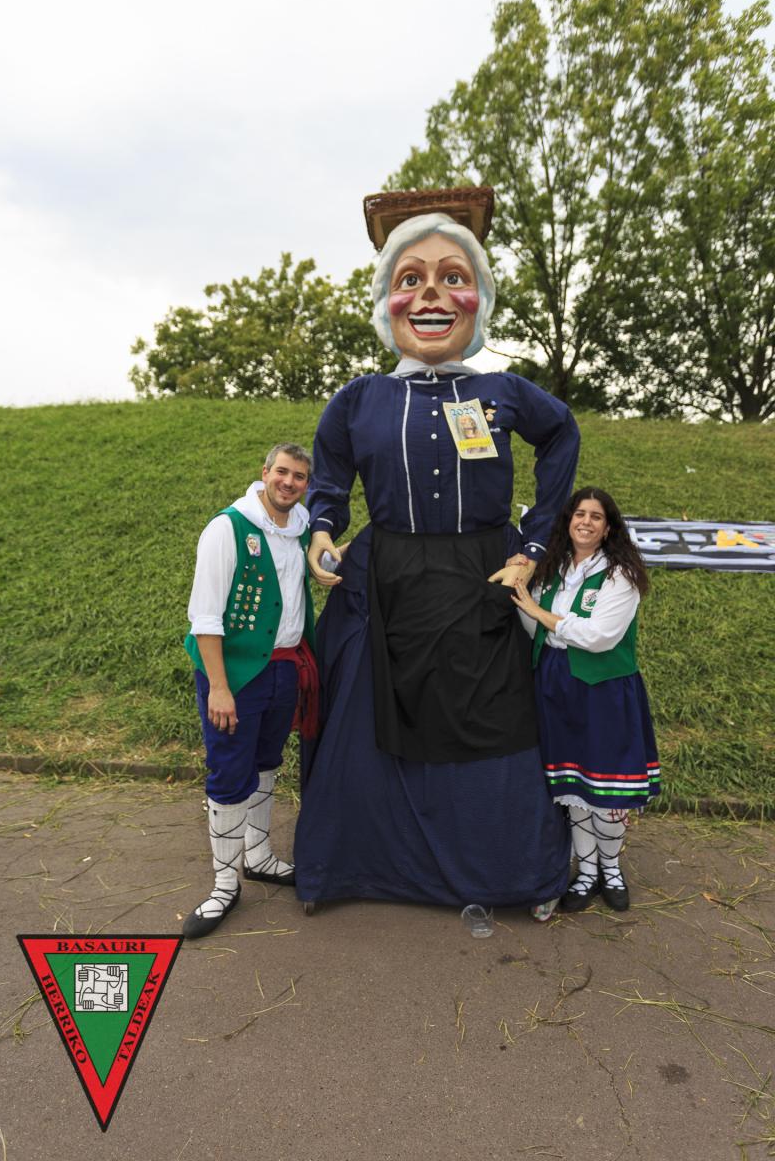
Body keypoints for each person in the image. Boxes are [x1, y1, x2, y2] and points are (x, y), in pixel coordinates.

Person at [293, 187, 580, 913]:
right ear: (385, 302)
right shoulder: (358, 399)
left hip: (482, 577)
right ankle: (362, 868)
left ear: (480, 299)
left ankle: (508, 873)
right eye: (409, 278)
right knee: (367, 722)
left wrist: (535, 542)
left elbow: (561, 435)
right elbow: (329, 474)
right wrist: (324, 528)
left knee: (494, 722)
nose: (430, 294)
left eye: (453, 276)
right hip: (387, 579)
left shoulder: (502, 391)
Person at [181, 443, 316, 939]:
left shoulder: (300, 527)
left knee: (265, 763)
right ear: (264, 473)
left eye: (299, 476)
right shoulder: (228, 527)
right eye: (282, 472)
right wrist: (219, 687)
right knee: (229, 771)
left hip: (283, 667)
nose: (289, 482)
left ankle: (257, 856)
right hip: (235, 674)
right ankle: (224, 884)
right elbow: (205, 616)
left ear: (306, 485)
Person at [511, 487, 660, 912]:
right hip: (556, 683)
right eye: (579, 514)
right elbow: (533, 626)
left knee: (607, 790)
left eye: (596, 516)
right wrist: (525, 594)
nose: (586, 522)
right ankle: (587, 870)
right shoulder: (553, 568)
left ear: (608, 527)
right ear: (568, 521)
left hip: (604, 689)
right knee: (573, 784)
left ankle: (611, 868)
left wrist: (541, 613)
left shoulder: (620, 574)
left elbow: (599, 637)